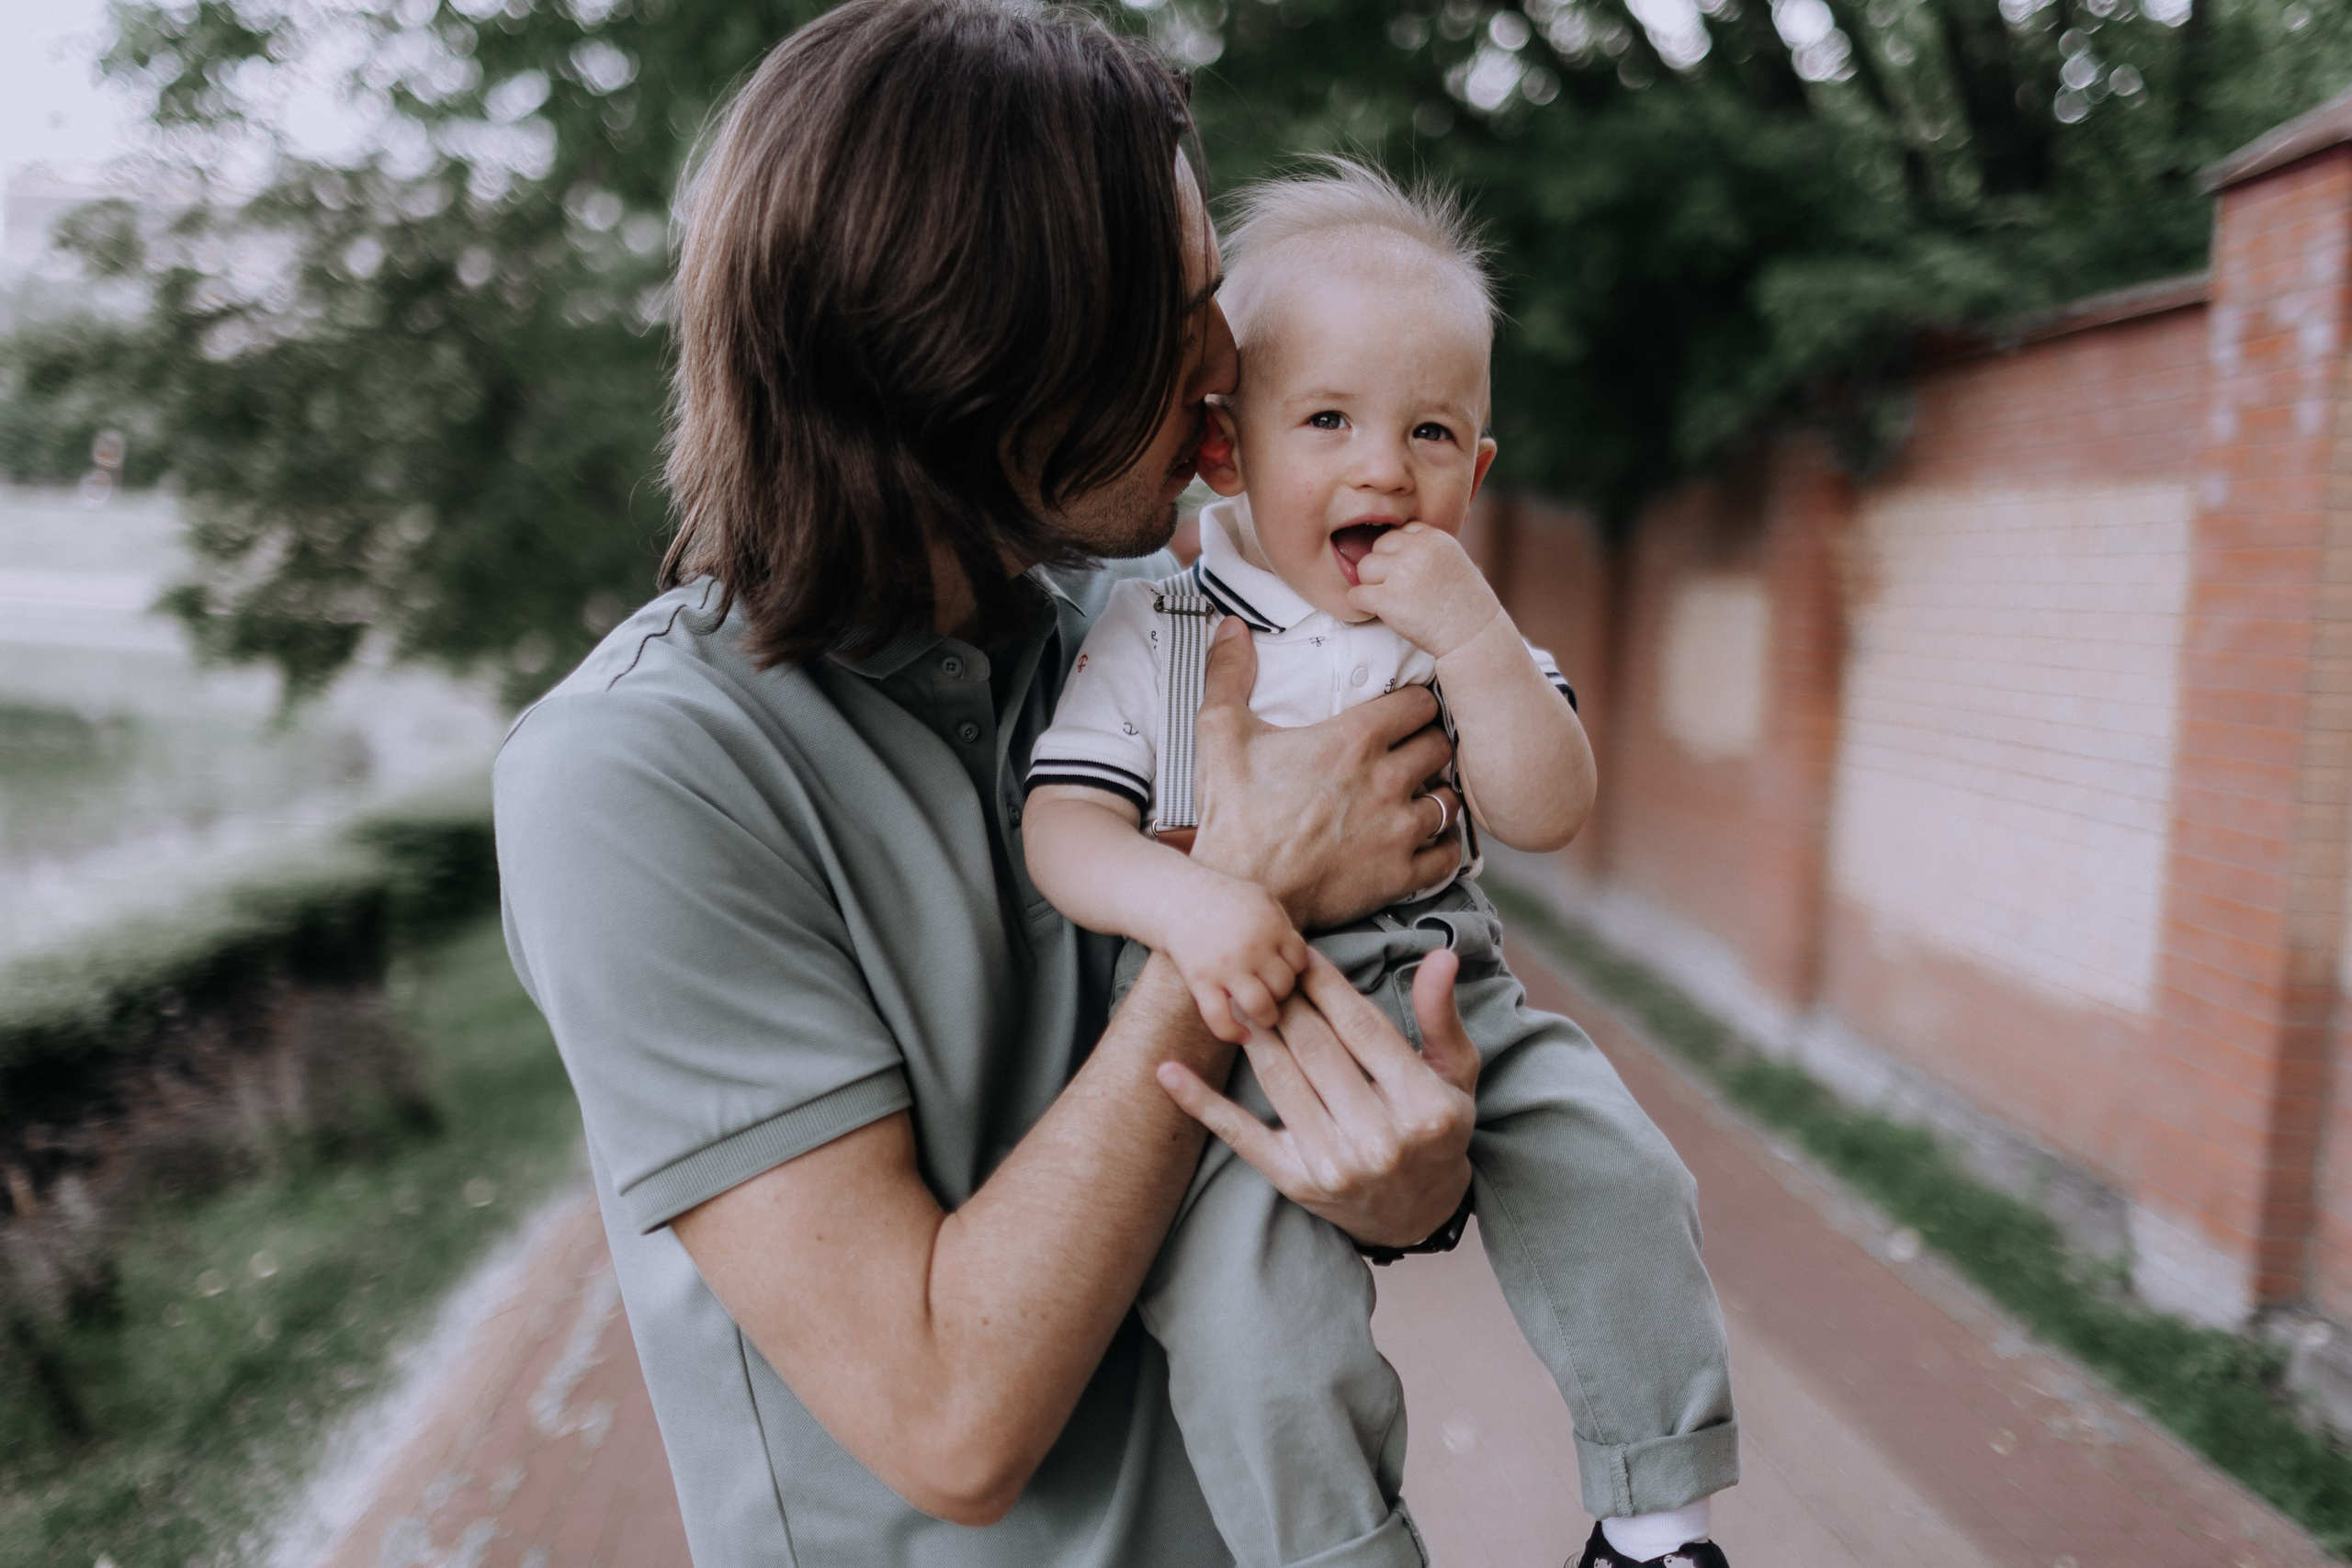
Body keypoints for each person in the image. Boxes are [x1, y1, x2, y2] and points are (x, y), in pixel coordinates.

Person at [496, 3, 1498, 1564]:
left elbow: (1342, 1139)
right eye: (1174, 319)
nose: (1230, 361)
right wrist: (1231, 908)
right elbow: (949, 1421)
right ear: (981, 360)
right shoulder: (635, 777)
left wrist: (1406, 1178)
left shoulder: (1147, 637)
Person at [1022, 162, 1739, 1568]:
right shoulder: (1168, 625)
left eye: (1428, 433)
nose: (1379, 467)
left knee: (1623, 1174)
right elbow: (1069, 828)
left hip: (1449, 987)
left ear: (1474, 470)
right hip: (1225, 1034)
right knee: (1249, 1322)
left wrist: (1475, 642)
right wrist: (1191, 900)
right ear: (1227, 451)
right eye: (1330, 421)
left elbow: (1544, 809)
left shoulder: (1443, 620)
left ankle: (1656, 1519)